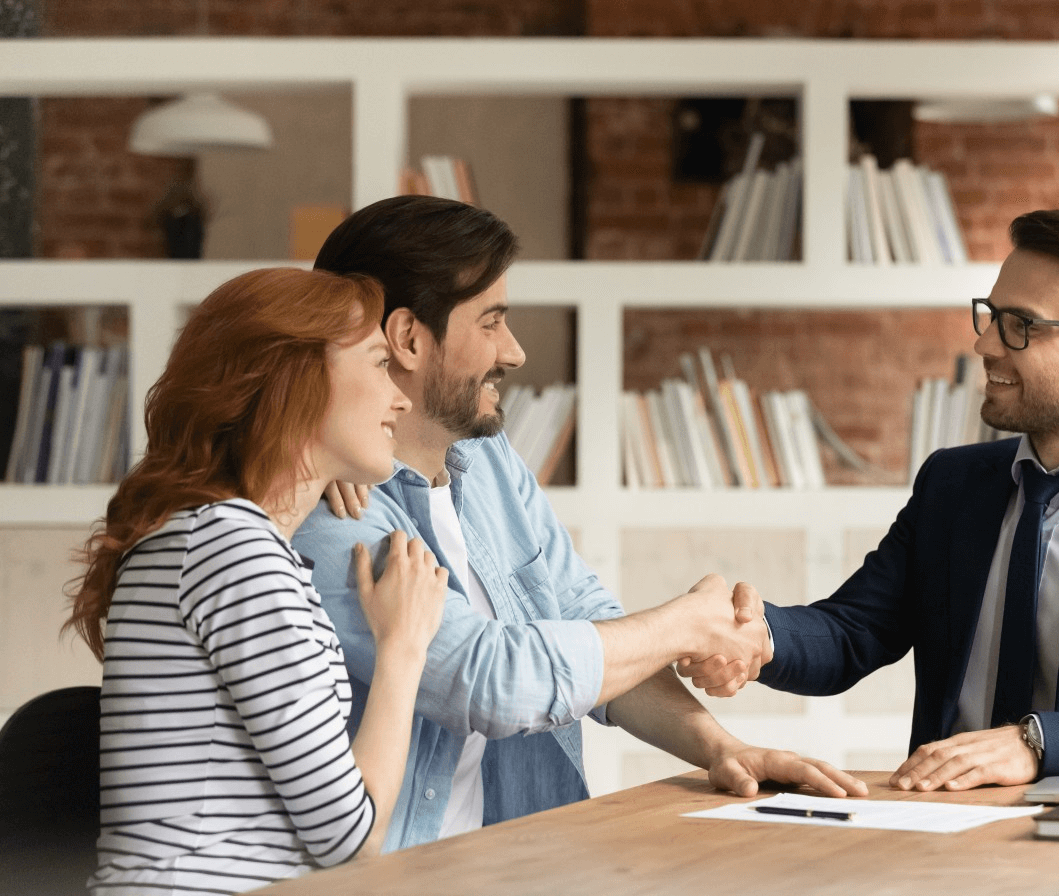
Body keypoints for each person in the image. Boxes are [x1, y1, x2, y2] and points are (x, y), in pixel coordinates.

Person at [293, 195, 865, 851]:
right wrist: (687, 621)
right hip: (408, 874)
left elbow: (587, 625)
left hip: (529, 856)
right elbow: (492, 681)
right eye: (491, 322)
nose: (514, 351)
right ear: (409, 338)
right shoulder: (332, 506)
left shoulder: (489, 461)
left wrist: (719, 747)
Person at [686, 209, 1059, 791]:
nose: (987, 346)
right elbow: (853, 631)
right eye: (991, 315)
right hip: (936, 828)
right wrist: (757, 636)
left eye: (1021, 325)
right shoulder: (952, 485)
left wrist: (1040, 743)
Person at [66, 268, 449, 894]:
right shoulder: (232, 548)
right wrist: (404, 645)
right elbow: (350, 837)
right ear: (296, 378)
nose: (401, 397)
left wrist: (321, 460)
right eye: (380, 364)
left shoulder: (218, 537)